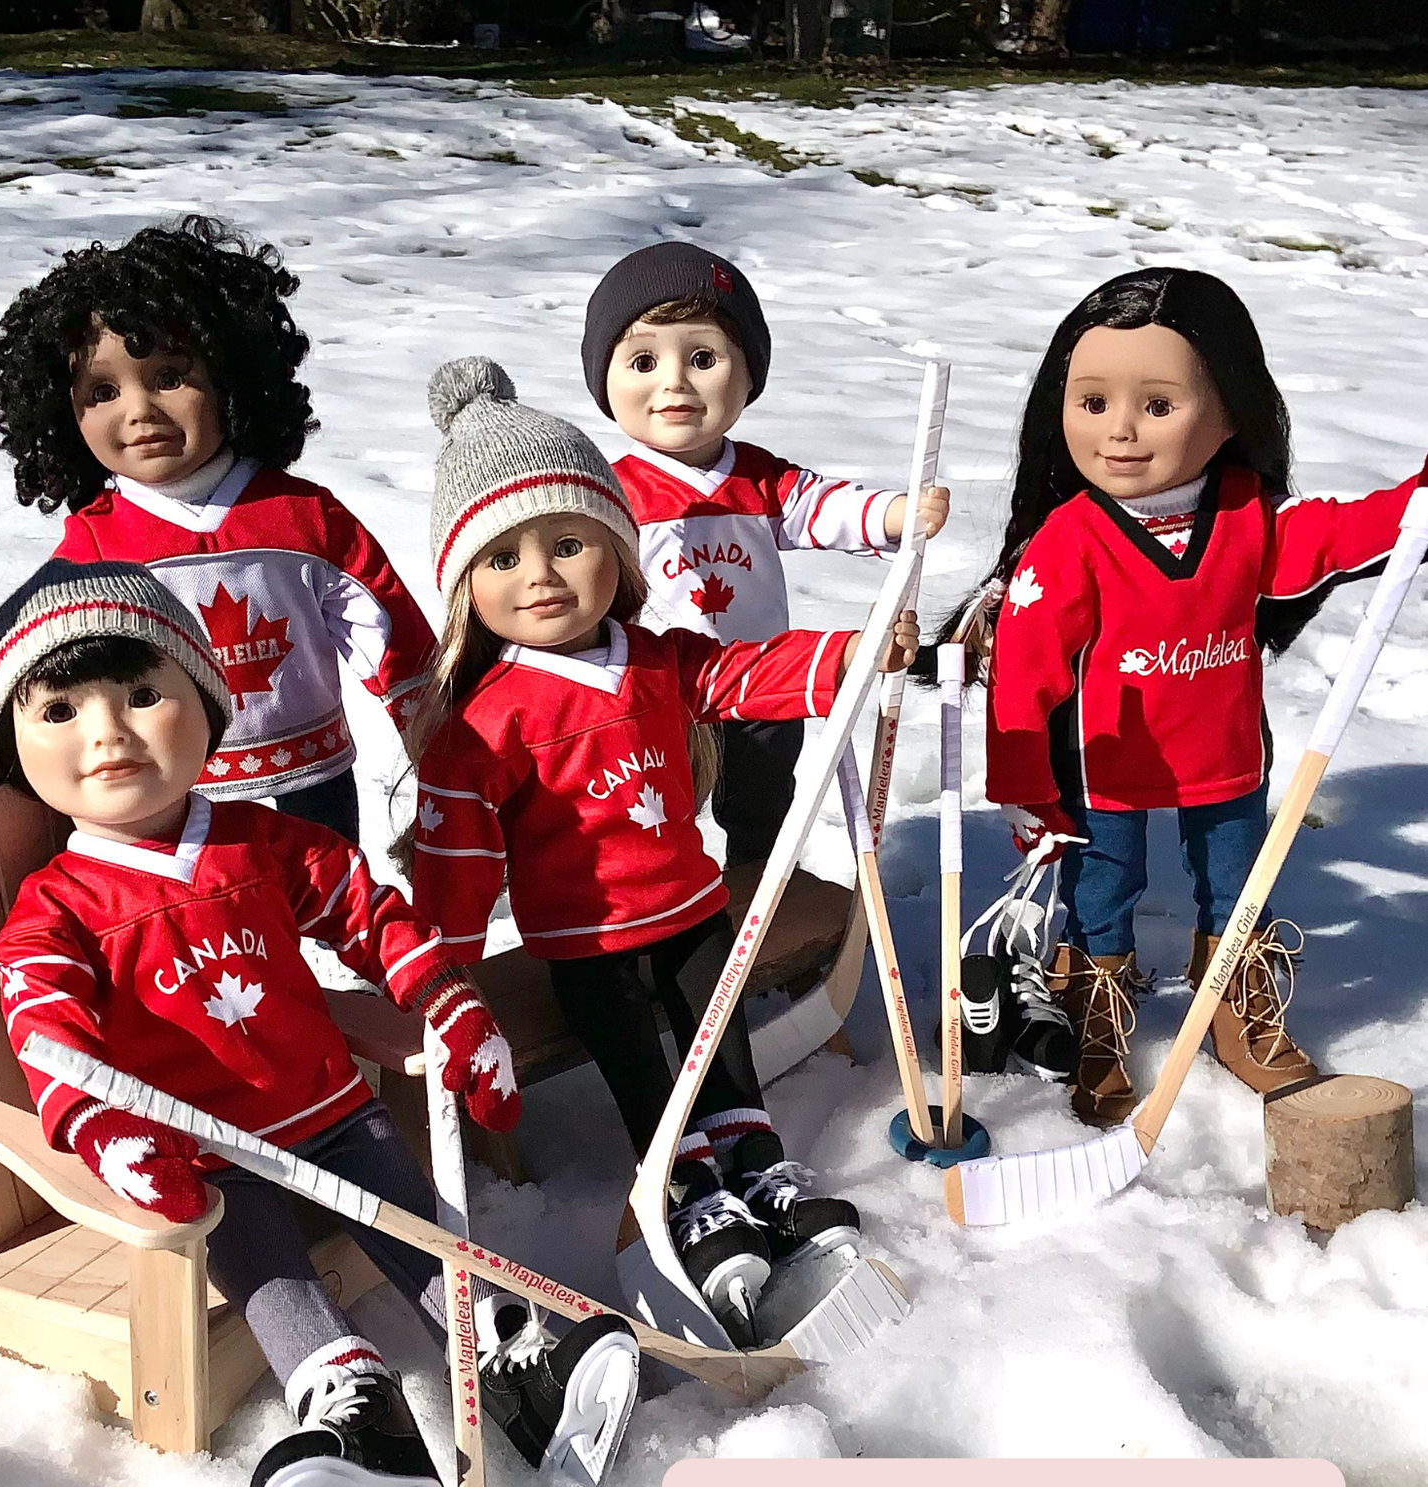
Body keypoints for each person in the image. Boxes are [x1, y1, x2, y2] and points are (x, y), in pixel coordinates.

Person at [0, 558, 641, 1487]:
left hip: (333, 1113)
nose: (109, 730)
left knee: (418, 1227)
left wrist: (450, 1007)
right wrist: (111, 1131)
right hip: (206, 1150)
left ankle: (519, 1369)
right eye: (61, 710)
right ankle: (357, 1428)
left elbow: (368, 917)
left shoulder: (262, 842)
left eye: (141, 693)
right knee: (266, 1269)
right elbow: (48, 1034)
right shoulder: (55, 911)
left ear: (206, 709)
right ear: (17, 749)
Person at [399, 358, 915, 1349]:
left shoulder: (654, 658)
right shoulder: (483, 723)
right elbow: (454, 857)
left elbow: (740, 672)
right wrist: (446, 966)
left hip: (690, 909)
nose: (540, 575)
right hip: (587, 941)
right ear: (467, 586)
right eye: (502, 559)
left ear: (615, 548)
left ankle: (759, 1167)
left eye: (563, 543)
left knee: (718, 1049)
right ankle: (685, 1195)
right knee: (645, 1067)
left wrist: (843, 655)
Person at [978, 266, 1425, 1124]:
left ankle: (1235, 1007)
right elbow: (1024, 674)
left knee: (1237, 883)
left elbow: (1333, 538)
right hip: (1105, 763)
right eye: (1092, 401)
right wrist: (1024, 782)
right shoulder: (1070, 539)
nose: (1120, 434)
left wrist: (1415, 502)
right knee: (1104, 886)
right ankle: (1098, 1014)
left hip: (1222, 757)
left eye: (1158, 405)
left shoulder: (1245, 511)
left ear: (1228, 412)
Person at [0, 216, 436, 844]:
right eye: (103, 391)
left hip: (315, 781)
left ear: (232, 376)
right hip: (176, 799)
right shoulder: (94, 552)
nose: (140, 411)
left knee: (335, 911)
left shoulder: (304, 516)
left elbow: (390, 632)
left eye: (168, 377)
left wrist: (437, 735)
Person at [581, 239, 948, 871]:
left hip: (764, 683)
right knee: (654, 815)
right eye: (642, 361)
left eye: (702, 357)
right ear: (603, 381)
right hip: (661, 690)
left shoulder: (757, 479)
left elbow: (825, 507)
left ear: (748, 374)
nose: (673, 383)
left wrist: (895, 515)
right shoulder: (610, 492)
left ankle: (762, 894)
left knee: (762, 805)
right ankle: (666, 905)